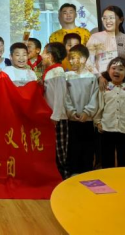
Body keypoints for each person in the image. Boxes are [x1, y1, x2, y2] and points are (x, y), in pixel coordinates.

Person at [94, 57, 125, 168]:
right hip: (107, 128)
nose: (116, 71)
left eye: (121, 69)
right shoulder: (104, 87)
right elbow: (99, 105)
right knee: (107, 159)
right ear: (108, 70)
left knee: (124, 158)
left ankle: (122, 177)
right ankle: (108, 176)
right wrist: (98, 121)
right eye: (114, 68)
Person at [86, 6, 125, 99]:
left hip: (122, 86)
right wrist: (99, 77)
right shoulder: (95, 38)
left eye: (111, 17)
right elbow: (88, 61)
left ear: (121, 19)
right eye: (105, 18)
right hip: (100, 85)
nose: (107, 21)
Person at [65, 45, 98, 175]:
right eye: (70, 58)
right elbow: (65, 96)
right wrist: (71, 112)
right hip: (72, 119)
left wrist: (87, 112)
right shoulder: (66, 77)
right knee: (73, 147)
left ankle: (87, 172)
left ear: (84, 59)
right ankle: (73, 172)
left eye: (74, 58)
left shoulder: (92, 77)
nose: (71, 61)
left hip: (87, 120)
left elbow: (95, 97)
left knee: (88, 147)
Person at [42, 42, 70, 179]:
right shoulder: (49, 71)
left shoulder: (58, 71)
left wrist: (56, 115)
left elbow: (60, 95)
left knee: (59, 148)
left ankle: (63, 175)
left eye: (43, 52)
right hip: (52, 116)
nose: (41, 55)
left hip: (58, 117)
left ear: (50, 56)